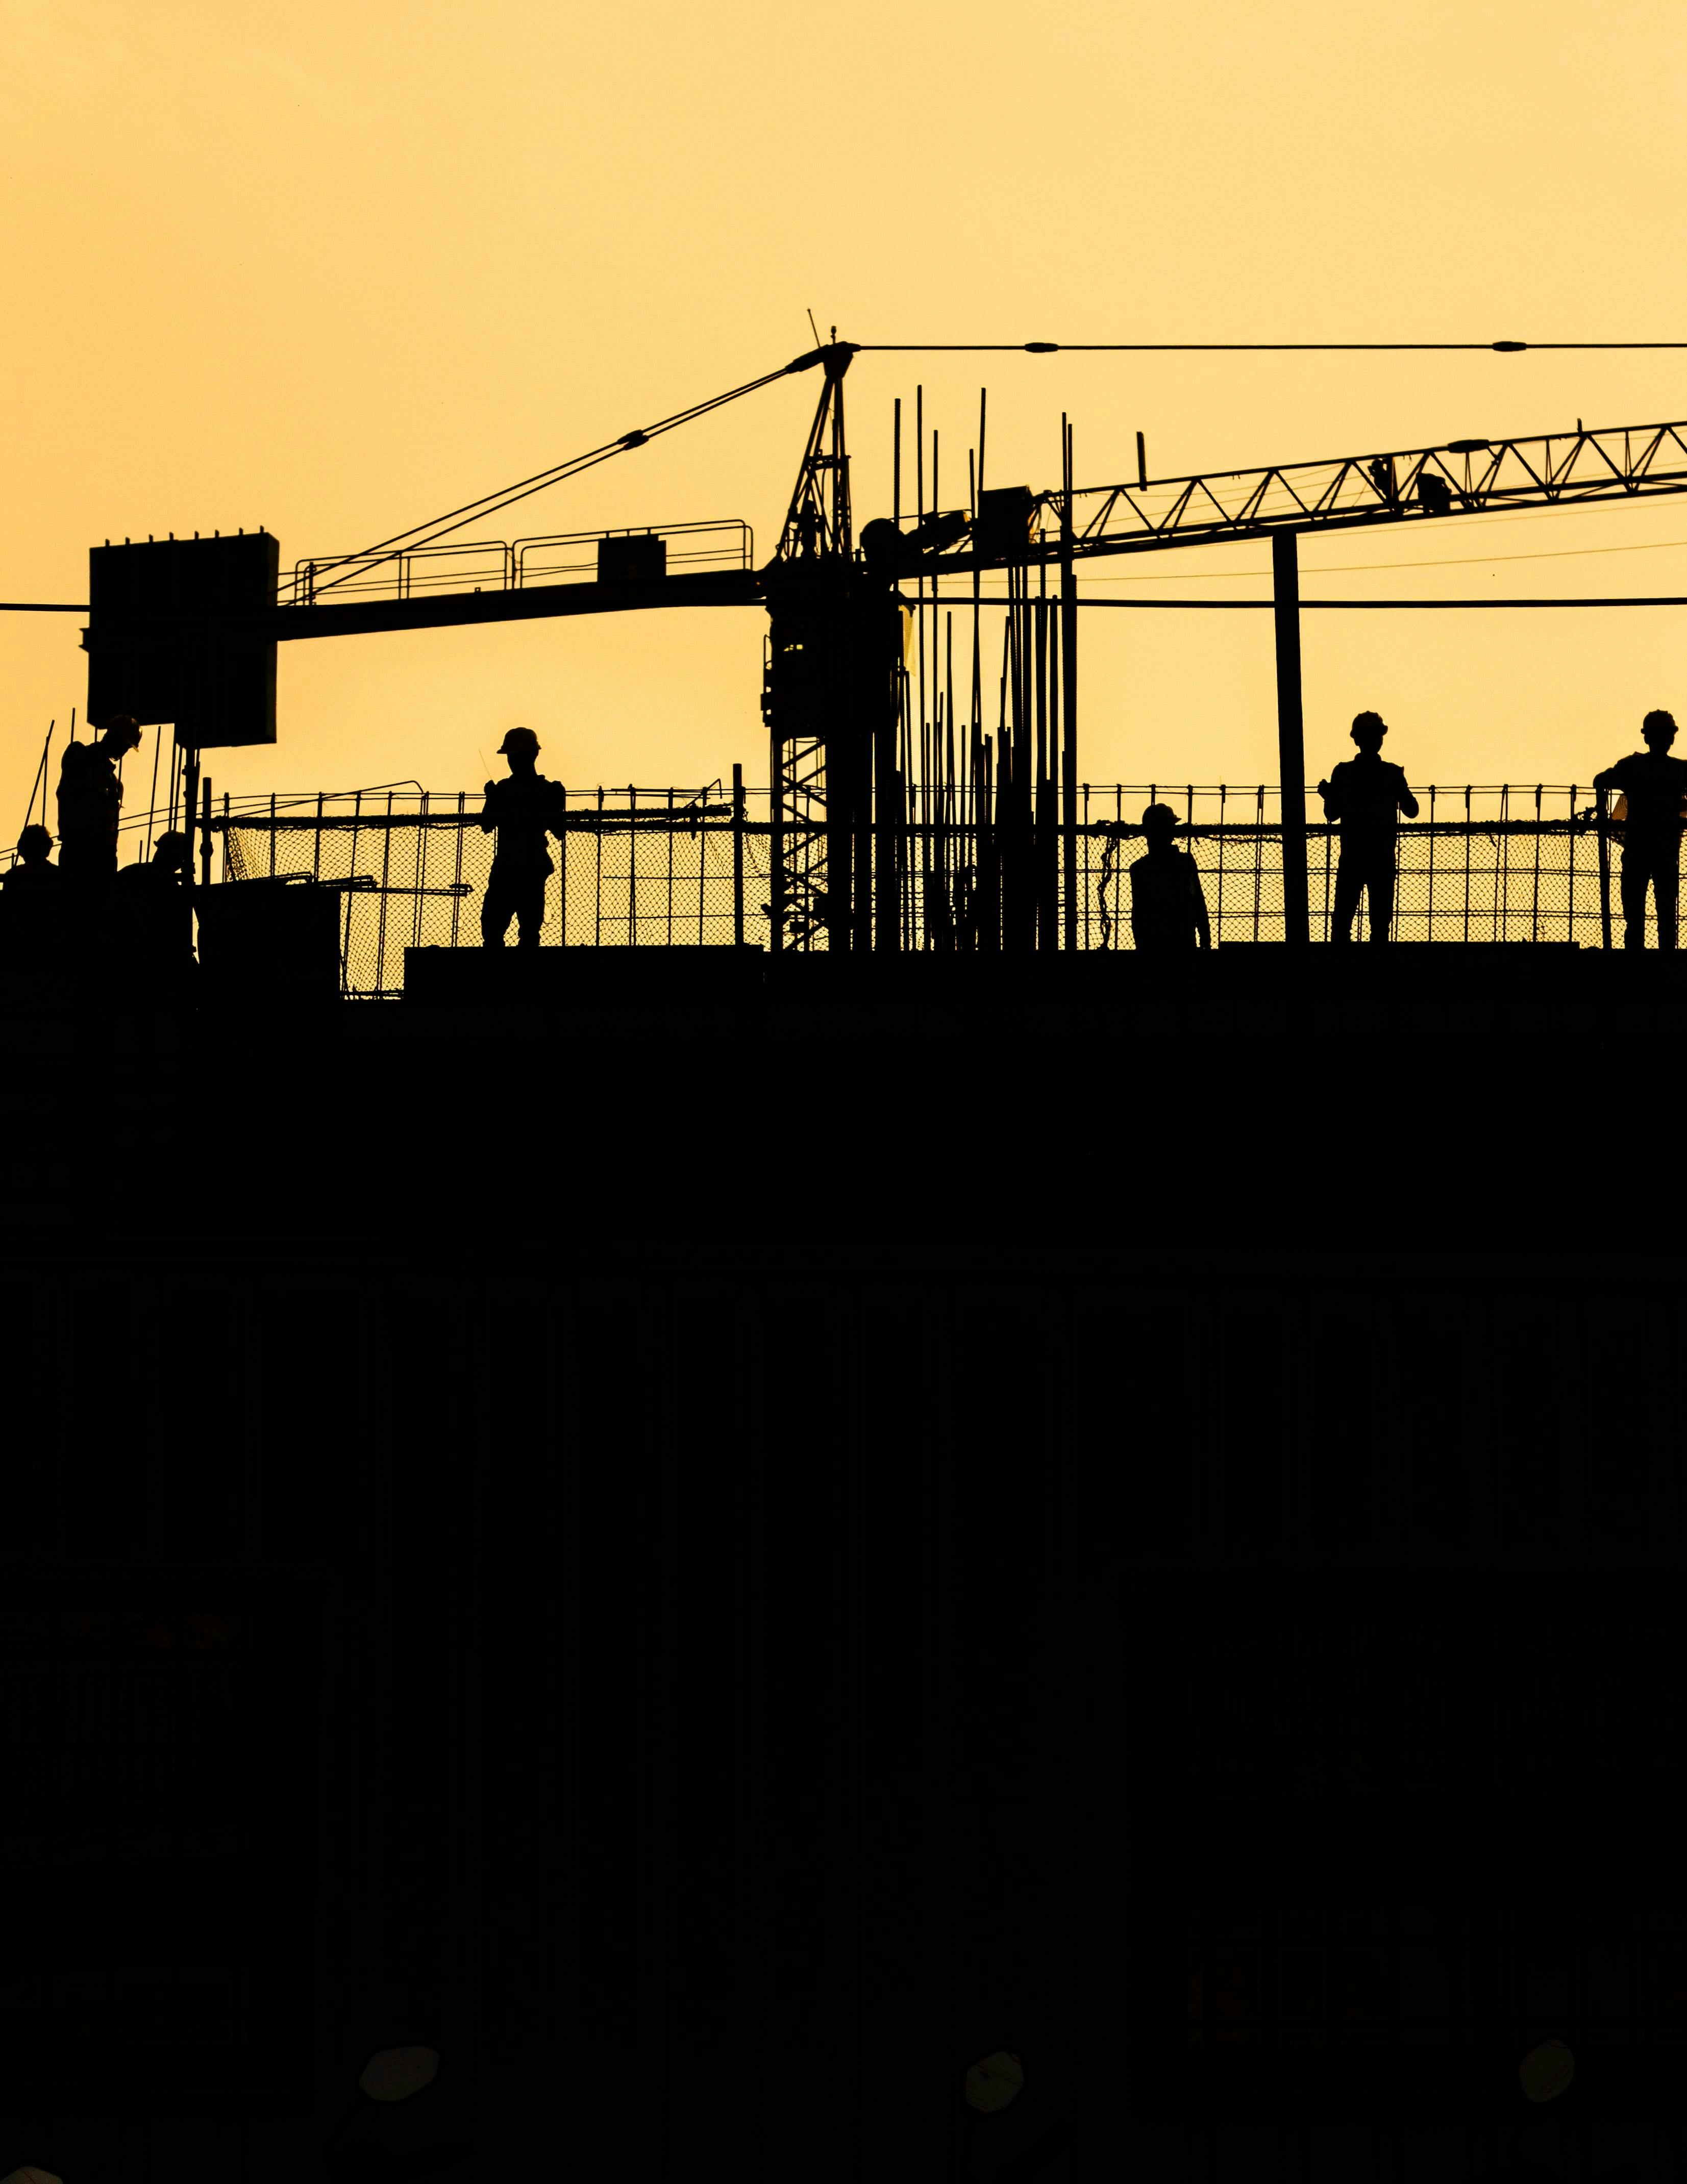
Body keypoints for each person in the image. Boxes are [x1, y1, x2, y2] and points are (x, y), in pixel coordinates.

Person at [1318, 711, 1419, 944]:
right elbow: (1412, 811)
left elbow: (1331, 815)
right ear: (1380, 739)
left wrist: (1329, 796)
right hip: (1382, 857)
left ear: (1356, 740)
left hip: (1352, 856)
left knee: (1342, 922)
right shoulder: (1392, 773)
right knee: (1380, 924)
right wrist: (1399, 789)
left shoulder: (1343, 772)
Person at [1594, 709, 1687, 950]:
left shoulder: (1632, 767)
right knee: (1666, 908)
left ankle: (1636, 954)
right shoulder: (1680, 771)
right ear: (1671, 738)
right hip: (1665, 850)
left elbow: (1601, 780)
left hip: (1638, 848)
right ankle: (1667, 954)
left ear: (1646, 738)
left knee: (1635, 908)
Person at [479, 727, 567, 948]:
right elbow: (559, 831)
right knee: (507, 929)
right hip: (527, 866)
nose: (513, 760)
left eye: (515, 755)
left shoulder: (508, 790)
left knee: (511, 929)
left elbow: (487, 825)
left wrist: (493, 799)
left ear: (532, 755)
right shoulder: (544, 790)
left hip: (514, 866)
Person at [56, 715, 143, 887]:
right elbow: (73, 792)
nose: (124, 752)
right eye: (124, 745)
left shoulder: (116, 784)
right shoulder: (79, 754)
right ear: (113, 737)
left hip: (105, 858)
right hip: (78, 853)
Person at [113, 832, 193, 988]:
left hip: (124, 957)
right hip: (151, 963)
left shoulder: (131, 872)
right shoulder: (171, 889)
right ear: (179, 859)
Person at [1128, 803, 1211, 953]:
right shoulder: (1185, 863)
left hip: (1153, 945)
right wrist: (1205, 937)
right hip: (1183, 942)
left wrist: (1141, 946)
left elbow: (1139, 914)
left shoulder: (1139, 868)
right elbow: (1198, 901)